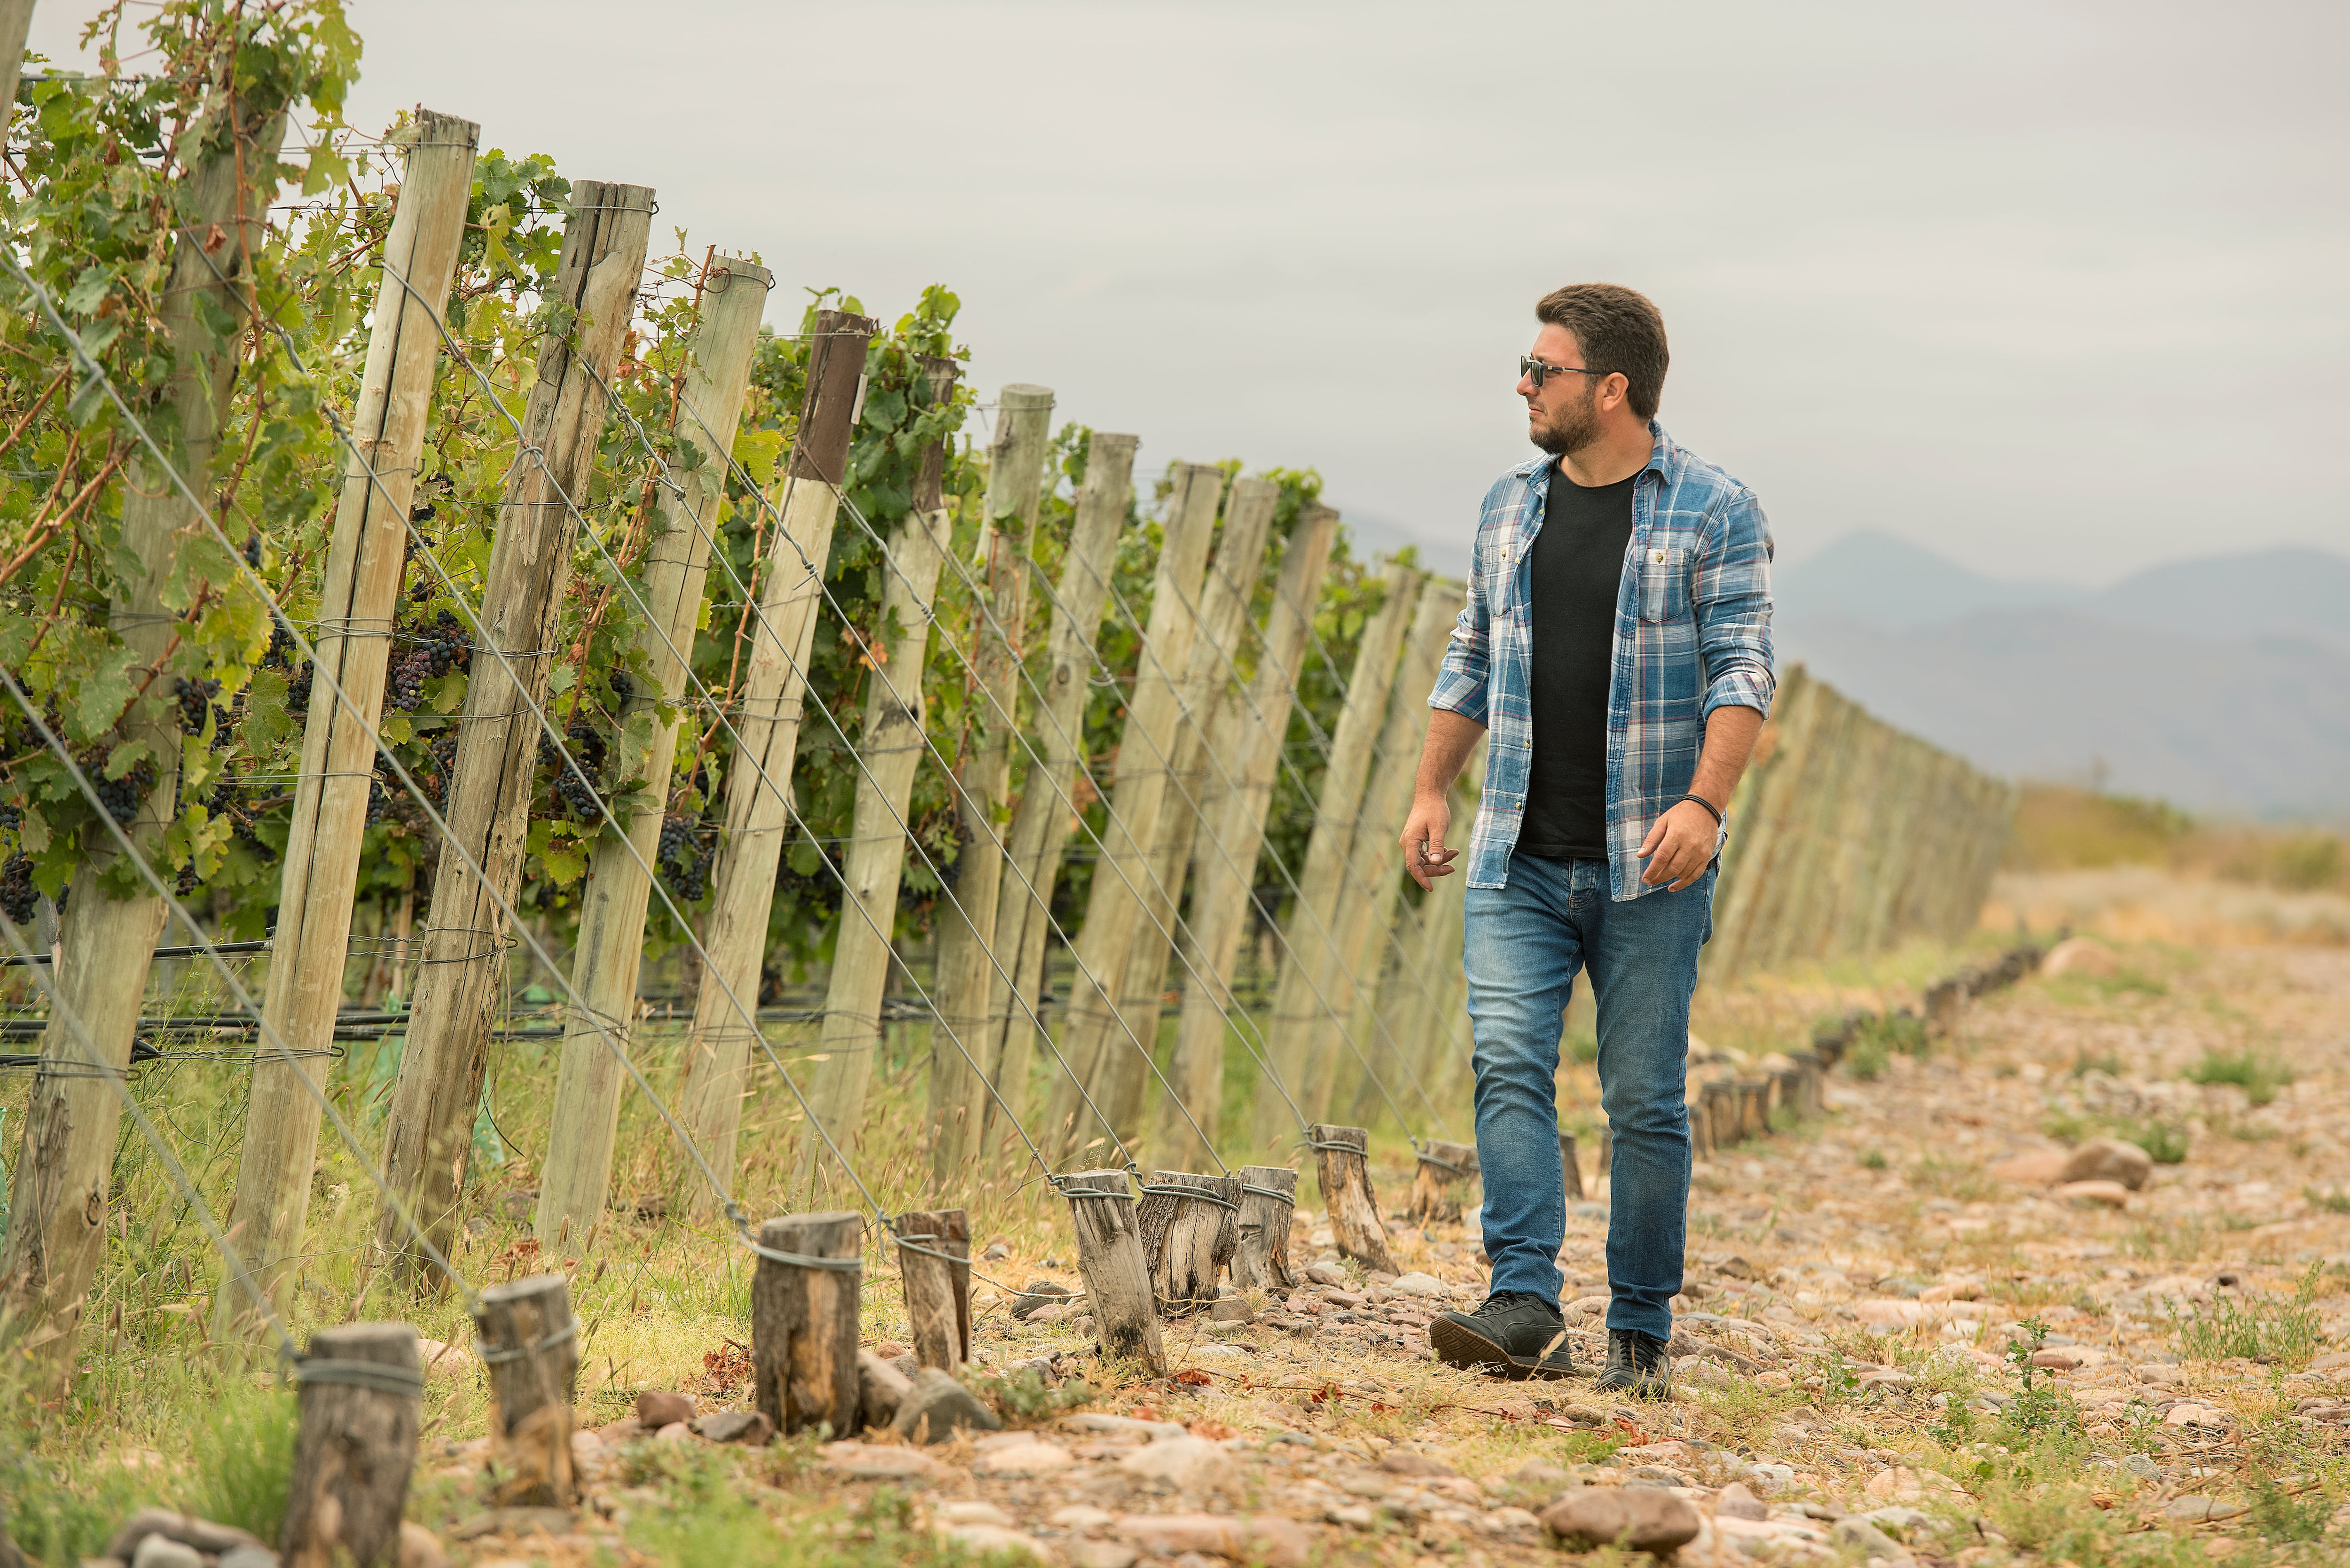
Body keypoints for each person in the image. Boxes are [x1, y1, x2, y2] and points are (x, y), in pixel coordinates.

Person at [1401, 283, 1774, 1396]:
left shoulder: (1712, 508)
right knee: (1508, 1064)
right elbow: (1470, 656)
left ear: (1609, 389)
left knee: (1644, 1097)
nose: (1521, 384)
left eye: (1542, 369)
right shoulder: (1508, 507)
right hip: (1514, 849)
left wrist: (1704, 806)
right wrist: (1432, 790)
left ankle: (1641, 1332)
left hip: (1648, 863)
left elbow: (1742, 669)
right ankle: (1522, 1301)